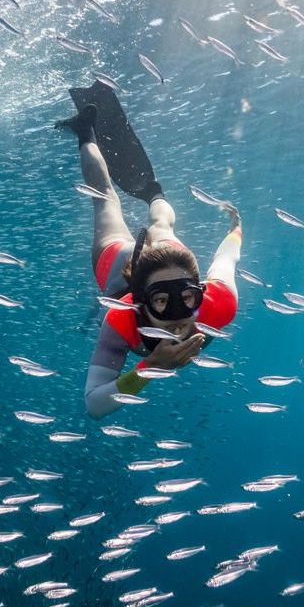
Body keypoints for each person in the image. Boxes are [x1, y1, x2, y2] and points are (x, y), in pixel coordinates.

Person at [57, 81, 243, 419]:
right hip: (119, 264)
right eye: (160, 300)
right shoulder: (120, 317)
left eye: (187, 296)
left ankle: (154, 194)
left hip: (165, 255)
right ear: (140, 302)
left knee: (161, 228)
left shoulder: (218, 303)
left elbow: (226, 257)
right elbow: (94, 405)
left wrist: (236, 231)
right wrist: (147, 367)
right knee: (105, 199)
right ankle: (85, 131)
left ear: (201, 291)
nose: (178, 314)